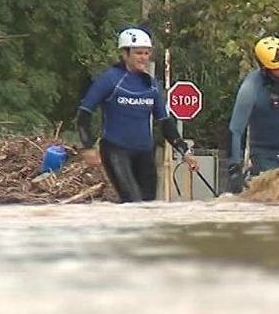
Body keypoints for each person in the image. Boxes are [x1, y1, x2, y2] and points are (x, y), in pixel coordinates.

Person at [77, 27, 198, 203]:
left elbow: (164, 122)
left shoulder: (151, 85)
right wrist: (87, 147)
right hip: (116, 151)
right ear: (125, 54)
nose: (143, 57)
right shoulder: (110, 79)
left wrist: (184, 151)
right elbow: (84, 112)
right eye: (138, 53)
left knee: (149, 206)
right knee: (133, 203)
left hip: (145, 153)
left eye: (147, 53)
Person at [227, 36, 279, 191]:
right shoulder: (250, 88)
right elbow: (236, 129)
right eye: (278, 68)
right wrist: (234, 166)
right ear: (264, 68)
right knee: (277, 196)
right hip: (265, 156)